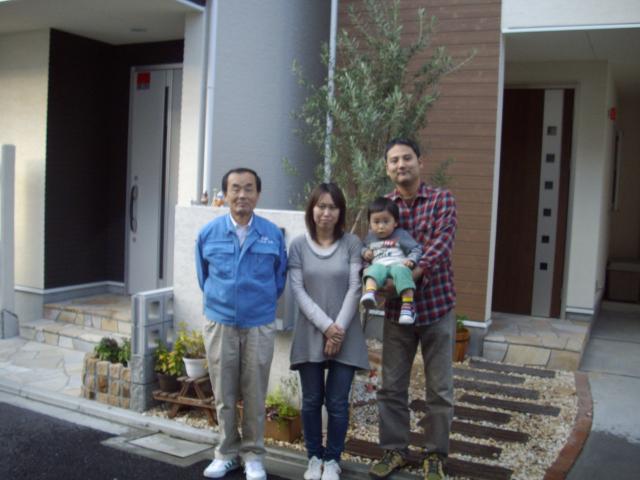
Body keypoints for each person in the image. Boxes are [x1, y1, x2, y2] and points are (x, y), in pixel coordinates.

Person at [369, 139, 457, 480]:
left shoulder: (441, 200)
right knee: (391, 386)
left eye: (407, 158)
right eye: (394, 160)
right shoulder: (384, 205)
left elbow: (439, 247)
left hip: (437, 307)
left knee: (440, 389)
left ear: (420, 161)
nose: (400, 164)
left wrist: (404, 279)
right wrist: (375, 281)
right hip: (396, 315)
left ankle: (435, 455)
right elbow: (373, 248)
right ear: (387, 168)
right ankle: (394, 450)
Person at [195, 167, 287, 480]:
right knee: (223, 393)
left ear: (258, 195)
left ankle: (253, 456)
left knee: (255, 394)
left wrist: (256, 305)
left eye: (249, 188)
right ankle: (226, 453)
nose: (242, 195)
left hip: (259, 324)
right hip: (220, 322)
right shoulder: (209, 233)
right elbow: (203, 277)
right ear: (225, 194)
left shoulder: (271, 234)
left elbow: (278, 280)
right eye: (235, 188)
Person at [288, 183, 369, 480]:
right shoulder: (298, 245)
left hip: (346, 334)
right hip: (311, 333)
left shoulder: (352, 244)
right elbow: (298, 290)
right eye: (321, 206)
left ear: (340, 211)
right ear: (311, 210)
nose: (326, 212)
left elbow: (355, 287)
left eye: (332, 207)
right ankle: (313, 457)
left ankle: (333, 459)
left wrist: (338, 331)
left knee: (337, 402)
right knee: (311, 400)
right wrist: (327, 328)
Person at [359, 197, 422, 324]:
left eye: (386, 221)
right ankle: (370, 293)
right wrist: (365, 252)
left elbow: (416, 248)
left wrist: (411, 260)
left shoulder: (400, 234)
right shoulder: (370, 238)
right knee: (371, 271)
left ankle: (407, 307)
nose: (381, 226)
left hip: (397, 265)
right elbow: (362, 248)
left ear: (395, 222)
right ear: (370, 223)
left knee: (403, 272)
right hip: (379, 266)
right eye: (376, 222)